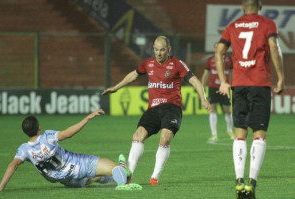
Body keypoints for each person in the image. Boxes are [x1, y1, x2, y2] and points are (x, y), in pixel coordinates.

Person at [102, 35, 210, 185]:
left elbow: (195, 81)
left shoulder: (177, 64)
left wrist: (203, 99)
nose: (159, 53)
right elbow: (133, 75)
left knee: (165, 137)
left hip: (172, 108)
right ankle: (129, 176)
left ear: (169, 49)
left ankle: (154, 177)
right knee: (138, 135)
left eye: (162, 50)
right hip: (153, 109)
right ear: (153, 49)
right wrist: (115, 88)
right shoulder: (148, 63)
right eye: (156, 50)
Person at [215, 0, 284, 198]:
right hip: (259, 83)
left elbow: (219, 51)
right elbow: (273, 46)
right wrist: (280, 77)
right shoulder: (267, 23)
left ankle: (239, 182)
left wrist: (223, 81)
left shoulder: (232, 26)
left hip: (239, 84)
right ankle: (252, 183)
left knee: (240, 133)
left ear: (243, 8)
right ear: (260, 7)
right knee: (259, 134)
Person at [0, 109, 142, 191]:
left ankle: (117, 176)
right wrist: (87, 118)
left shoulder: (24, 149)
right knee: (116, 169)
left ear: (25, 132)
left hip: (68, 181)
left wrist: (0, 187)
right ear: (39, 127)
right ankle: (123, 180)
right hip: (81, 165)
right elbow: (68, 133)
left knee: (96, 177)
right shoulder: (47, 136)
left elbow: (12, 165)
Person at [201, 42, 234, 142]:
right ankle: (214, 134)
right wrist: (202, 86)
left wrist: (232, 85)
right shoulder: (210, 60)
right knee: (212, 109)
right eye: (215, 47)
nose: (217, 49)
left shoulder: (229, 59)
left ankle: (229, 130)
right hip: (213, 87)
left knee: (227, 110)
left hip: (224, 88)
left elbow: (232, 73)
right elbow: (206, 73)